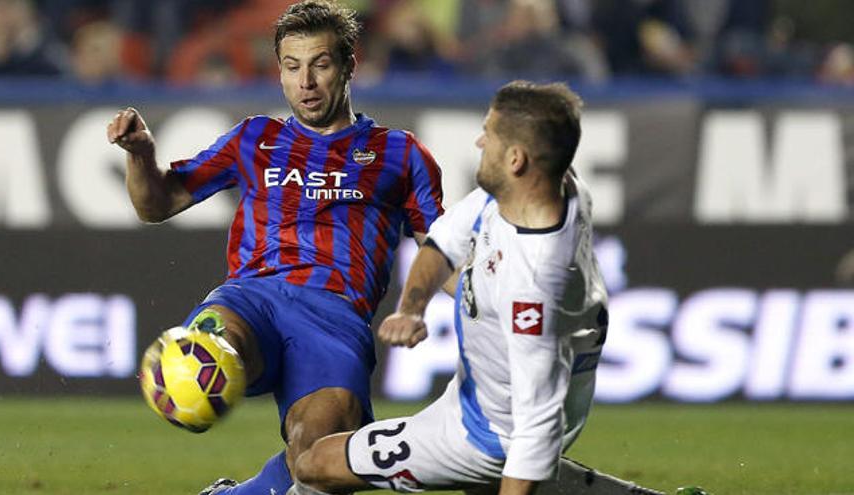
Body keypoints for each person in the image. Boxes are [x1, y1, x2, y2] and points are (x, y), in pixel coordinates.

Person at [105, 2, 444, 494]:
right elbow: (157, 204)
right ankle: (205, 354)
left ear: (350, 65)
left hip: (334, 321)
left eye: (320, 64)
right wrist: (141, 154)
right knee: (209, 348)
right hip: (251, 300)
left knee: (318, 463)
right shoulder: (254, 138)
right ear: (280, 72)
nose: (305, 81)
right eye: (292, 67)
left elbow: (443, 250)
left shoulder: (401, 153)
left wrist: (472, 299)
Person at [288, 80, 690, 495]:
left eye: (490, 134)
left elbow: (535, 430)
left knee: (316, 464)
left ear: (516, 159)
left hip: (488, 432)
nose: (480, 141)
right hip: (481, 391)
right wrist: (411, 308)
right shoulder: (544, 188)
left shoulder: (532, 290)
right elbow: (441, 243)